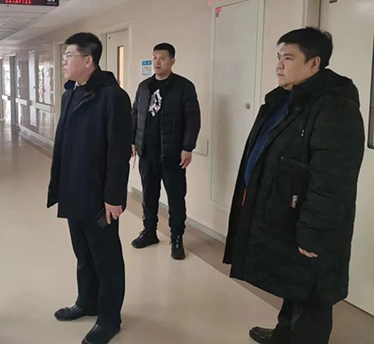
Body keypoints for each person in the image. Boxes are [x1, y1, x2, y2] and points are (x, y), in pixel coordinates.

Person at [224, 27, 365, 344]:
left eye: (288, 58)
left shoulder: (335, 108)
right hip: (288, 214)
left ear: (314, 64)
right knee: (293, 284)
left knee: (312, 295)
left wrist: (315, 233)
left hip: (312, 223)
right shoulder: (288, 100)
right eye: (278, 57)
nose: (279, 65)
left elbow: (333, 180)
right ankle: (283, 333)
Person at [48, 32, 132, 344]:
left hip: (99, 195)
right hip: (74, 189)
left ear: (88, 60)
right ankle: (87, 302)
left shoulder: (112, 96)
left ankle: (109, 318)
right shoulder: (71, 92)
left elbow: (119, 151)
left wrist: (114, 196)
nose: (64, 61)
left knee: (106, 258)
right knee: (83, 253)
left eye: (69, 56)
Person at [130, 43, 201, 260]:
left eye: (162, 58)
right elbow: (135, 114)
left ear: (172, 61)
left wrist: (187, 147)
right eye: (154, 58)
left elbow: (192, 118)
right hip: (147, 152)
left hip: (172, 153)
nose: (157, 62)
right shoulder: (144, 87)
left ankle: (177, 237)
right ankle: (149, 231)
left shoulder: (183, 87)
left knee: (176, 197)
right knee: (148, 195)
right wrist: (132, 141)